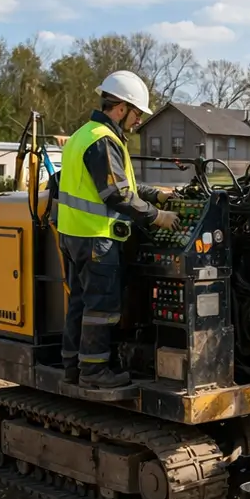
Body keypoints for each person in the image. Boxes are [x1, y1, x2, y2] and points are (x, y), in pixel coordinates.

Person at [55, 71, 179, 388]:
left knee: (80, 304)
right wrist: (157, 216)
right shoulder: (103, 140)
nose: (138, 120)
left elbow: (124, 186)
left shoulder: (83, 134)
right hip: (97, 238)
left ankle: (74, 367)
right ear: (121, 108)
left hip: (74, 236)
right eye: (137, 113)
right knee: (102, 307)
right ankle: (95, 373)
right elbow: (117, 195)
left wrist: (156, 195)